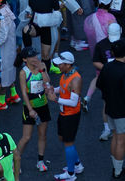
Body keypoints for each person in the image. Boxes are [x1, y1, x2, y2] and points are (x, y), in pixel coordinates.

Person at [97, 38, 125, 180]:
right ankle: (118, 173)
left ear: (112, 52)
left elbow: (99, 84)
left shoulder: (106, 67)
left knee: (115, 137)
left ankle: (116, 167)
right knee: (121, 141)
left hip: (110, 108)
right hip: (122, 111)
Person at [17, 47, 52, 173]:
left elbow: (47, 81)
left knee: (42, 135)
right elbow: (24, 93)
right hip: (30, 107)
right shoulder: (23, 73)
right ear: (25, 59)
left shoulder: (42, 66)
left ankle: (40, 161)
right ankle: (15, 160)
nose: (35, 58)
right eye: (31, 57)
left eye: (35, 55)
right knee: (26, 137)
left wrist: (42, 70)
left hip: (43, 105)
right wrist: (30, 109)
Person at [50, 51, 83, 181]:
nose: (58, 66)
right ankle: (77, 165)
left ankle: (70, 174)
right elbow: (64, 88)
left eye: (60, 64)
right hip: (63, 113)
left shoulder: (76, 79)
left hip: (71, 115)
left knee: (68, 142)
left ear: (68, 65)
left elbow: (74, 102)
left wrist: (55, 99)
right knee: (63, 139)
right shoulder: (65, 74)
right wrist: (55, 89)